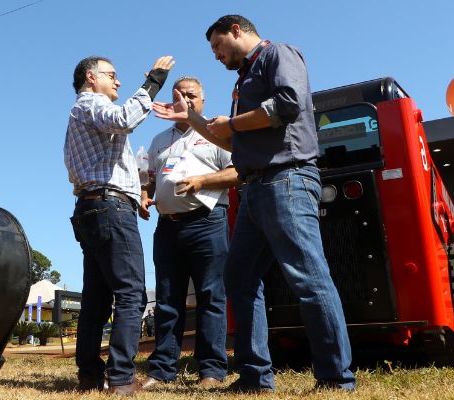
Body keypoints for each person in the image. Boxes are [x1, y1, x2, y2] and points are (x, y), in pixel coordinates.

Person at [152, 15, 356, 392]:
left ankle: (335, 378)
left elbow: (288, 104)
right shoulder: (242, 79)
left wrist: (230, 124)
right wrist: (192, 118)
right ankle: (254, 377)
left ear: (236, 31)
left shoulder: (278, 54)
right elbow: (234, 144)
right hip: (254, 188)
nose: (215, 55)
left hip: (288, 179)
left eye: (217, 46)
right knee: (239, 278)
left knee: (308, 277)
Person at [65, 54, 175, 396]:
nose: (118, 82)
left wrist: (137, 189)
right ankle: (122, 379)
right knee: (130, 295)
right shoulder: (90, 103)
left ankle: (90, 378)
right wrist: (153, 82)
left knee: (97, 299)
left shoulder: (82, 113)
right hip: (109, 207)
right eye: (111, 75)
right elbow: (125, 118)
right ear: (89, 77)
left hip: (94, 208)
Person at [138, 76, 237, 389]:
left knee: (210, 296)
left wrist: (203, 181)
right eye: (178, 94)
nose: (185, 100)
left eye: (191, 95)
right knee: (167, 299)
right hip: (168, 226)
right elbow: (151, 177)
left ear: (203, 99)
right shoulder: (158, 140)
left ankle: (211, 370)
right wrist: (145, 195)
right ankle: (162, 369)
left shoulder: (215, 130)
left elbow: (239, 171)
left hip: (207, 222)